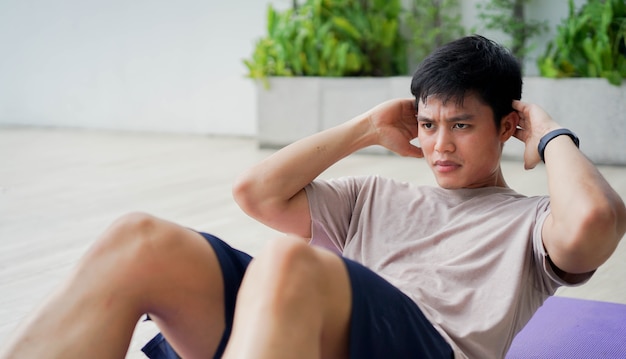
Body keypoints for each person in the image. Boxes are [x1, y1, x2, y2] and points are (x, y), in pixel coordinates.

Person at [1, 35, 624, 359]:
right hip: (311, 331)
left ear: (504, 126)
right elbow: (256, 192)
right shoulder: (373, 195)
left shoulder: (532, 223)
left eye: (461, 126)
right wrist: (364, 129)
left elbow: (597, 219)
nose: (439, 146)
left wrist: (549, 131)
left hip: (425, 350)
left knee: (290, 260)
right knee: (136, 238)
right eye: (429, 125)